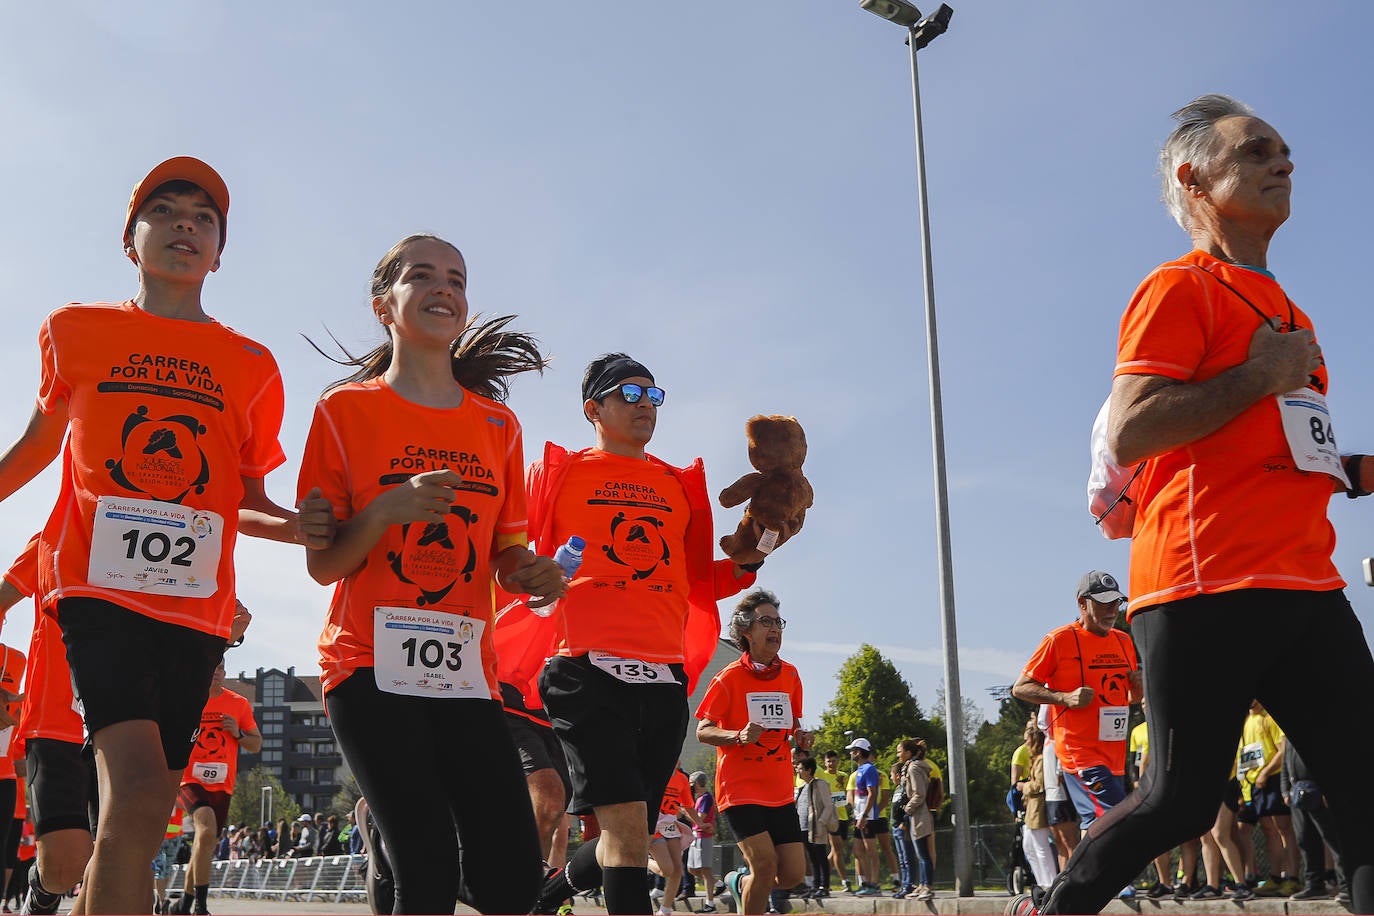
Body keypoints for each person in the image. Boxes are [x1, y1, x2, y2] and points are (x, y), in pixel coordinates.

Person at [1037, 94, 1374, 915]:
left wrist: (1352, 469)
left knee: (1370, 795)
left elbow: (1284, 444)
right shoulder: (1178, 288)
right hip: (1204, 583)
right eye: (1257, 151)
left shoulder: (1292, 311)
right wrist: (1261, 375)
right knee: (1181, 801)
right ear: (1195, 180)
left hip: (1308, 582)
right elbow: (1131, 431)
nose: (1282, 162)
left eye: (1286, 151)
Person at [0, 156, 334, 915]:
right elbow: (35, 448)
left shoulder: (252, 365)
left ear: (219, 252)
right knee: (146, 793)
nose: (186, 223)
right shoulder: (76, 329)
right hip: (96, 590)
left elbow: (241, 502)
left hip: (194, 608)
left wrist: (300, 526)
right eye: (166, 210)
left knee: (136, 821)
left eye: (204, 217)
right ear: (131, 239)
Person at [298, 233, 556, 914]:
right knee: (430, 868)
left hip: (464, 672)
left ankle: (389, 846)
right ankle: (393, 848)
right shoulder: (343, 411)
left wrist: (528, 572)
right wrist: (387, 509)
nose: (445, 288)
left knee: (513, 877)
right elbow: (324, 564)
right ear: (383, 304)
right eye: (423, 276)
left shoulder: (498, 426)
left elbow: (504, 553)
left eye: (458, 279)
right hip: (367, 665)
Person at [505, 353, 759, 915]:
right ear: (593, 408)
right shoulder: (559, 473)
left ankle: (543, 899)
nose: (646, 405)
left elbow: (700, 581)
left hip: (664, 672)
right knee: (623, 824)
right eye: (630, 394)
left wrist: (759, 548)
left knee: (632, 831)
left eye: (654, 395)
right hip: (584, 666)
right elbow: (513, 557)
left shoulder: (675, 483)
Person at [696, 589, 810, 916]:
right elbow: (703, 731)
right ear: (746, 632)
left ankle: (738, 883)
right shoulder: (728, 678)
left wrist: (800, 736)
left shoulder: (790, 674)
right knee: (765, 864)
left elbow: (792, 722)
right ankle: (751, 884)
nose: (775, 628)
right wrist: (737, 735)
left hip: (778, 789)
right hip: (739, 788)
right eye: (766, 621)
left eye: (778, 622)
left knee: (791, 875)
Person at [1012, 571, 1141, 835]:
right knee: (1115, 818)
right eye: (1103, 603)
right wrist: (1063, 697)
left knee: (1097, 823)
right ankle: (1113, 878)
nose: (1112, 610)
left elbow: (1132, 699)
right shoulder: (1059, 640)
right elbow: (1021, 688)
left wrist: (1138, 686)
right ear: (1082, 603)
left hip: (1115, 753)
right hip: (1079, 751)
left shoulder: (1124, 641)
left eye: (1116, 602)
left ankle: (1086, 878)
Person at [170, 660, 260, 914]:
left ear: (224, 672)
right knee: (206, 828)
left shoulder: (238, 704)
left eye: (219, 668)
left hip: (222, 785)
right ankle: (200, 906)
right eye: (210, 668)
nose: (215, 673)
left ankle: (183, 905)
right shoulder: (188, 701)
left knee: (205, 840)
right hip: (190, 779)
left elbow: (256, 744)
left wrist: (238, 734)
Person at [648, 767, 697, 916]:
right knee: (667, 870)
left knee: (677, 870)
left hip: (670, 826)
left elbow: (688, 805)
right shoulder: (653, 772)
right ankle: (645, 861)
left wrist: (700, 823)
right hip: (653, 827)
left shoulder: (682, 779)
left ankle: (665, 909)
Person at [1020, 727, 1058, 891]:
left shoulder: (1041, 760)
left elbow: (1039, 784)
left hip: (1037, 807)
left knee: (1040, 845)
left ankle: (1049, 882)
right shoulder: (1036, 760)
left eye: (1027, 739)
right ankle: (1041, 880)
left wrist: (1024, 786)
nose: (1026, 743)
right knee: (1028, 846)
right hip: (1031, 808)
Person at [795, 758, 836, 900]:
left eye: (800, 768)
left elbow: (828, 805)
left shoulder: (820, 785)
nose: (797, 771)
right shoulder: (803, 787)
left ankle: (824, 887)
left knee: (820, 857)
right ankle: (815, 886)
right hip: (804, 827)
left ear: (808, 770)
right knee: (812, 857)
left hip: (816, 827)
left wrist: (821, 822)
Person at [686, 771, 719, 912]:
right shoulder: (698, 798)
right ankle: (719, 883)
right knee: (691, 868)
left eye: (691, 784)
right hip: (696, 836)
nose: (690, 786)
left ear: (698, 783)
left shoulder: (706, 798)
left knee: (705, 870)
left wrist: (685, 812)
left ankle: (710, 904)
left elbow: (700, 817)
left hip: (704, 836)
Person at [819, 751, 851, 893]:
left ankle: (822, 879)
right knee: (837, 849)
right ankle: (845, 881)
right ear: (825, 763)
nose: (831, 764)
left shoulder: (843, 776)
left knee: (836, 850)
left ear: (837, 761)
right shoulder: (822, 776)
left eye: (833, 761)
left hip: (843, 816)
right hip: (831, 818)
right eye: (828, 761)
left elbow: (848, 794)